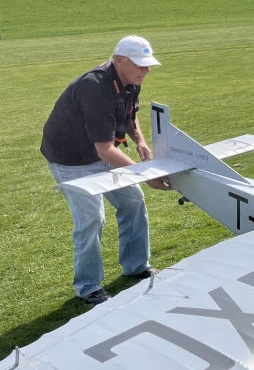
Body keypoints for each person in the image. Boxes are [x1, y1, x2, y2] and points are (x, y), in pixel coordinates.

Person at [41, 36, 169, 305]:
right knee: (91, 219)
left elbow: (130, 115)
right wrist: (147, 175)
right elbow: (105, 151)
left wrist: (141, 141)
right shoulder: (95, 88)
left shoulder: (130, 81)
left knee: (133, 202)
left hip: (103, 149)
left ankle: (136, 267)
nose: (146, 70)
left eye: (148, 65)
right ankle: (88, 287)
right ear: (120, 60)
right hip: (71, 159)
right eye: (141, 65)